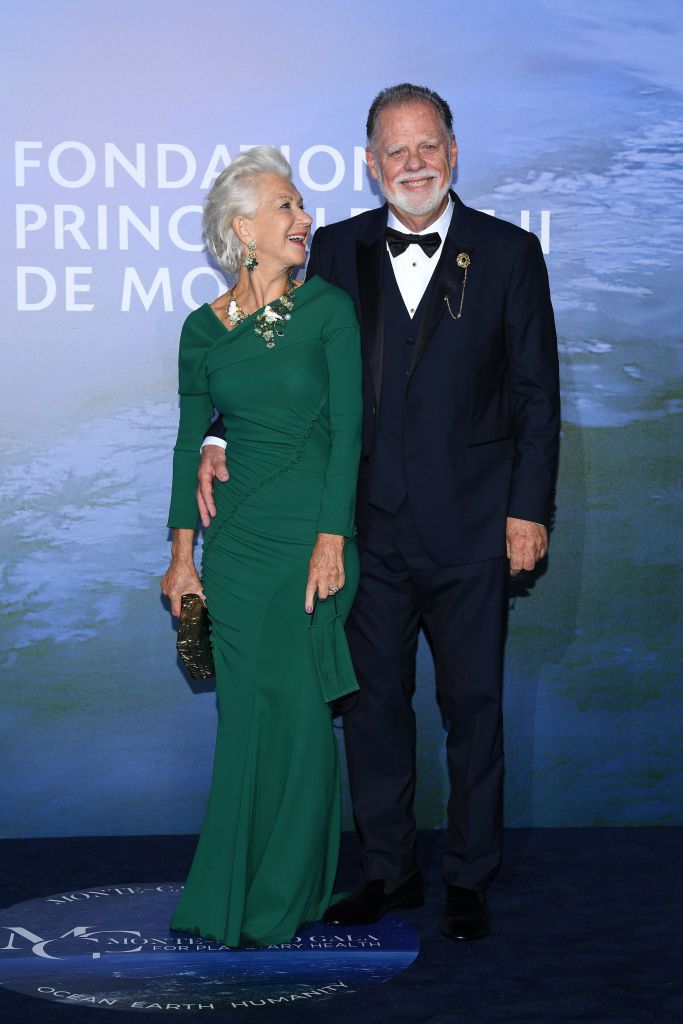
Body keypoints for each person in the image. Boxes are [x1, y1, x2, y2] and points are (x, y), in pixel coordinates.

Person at [199, 84, 560, 942]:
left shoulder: (509, 253)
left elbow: (535, 395)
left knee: (473, 707)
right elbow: (266, 351)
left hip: (475, 527)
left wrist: (527, 510)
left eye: (427, 145)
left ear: (454, 151)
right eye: (394, 151)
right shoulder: (332, 250)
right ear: (370, 164)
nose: (413, 163)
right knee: (370, 706)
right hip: (360, 528)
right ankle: (388, 872)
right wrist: (217, 433)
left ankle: (469, 878)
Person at [161, 146, 362, 947]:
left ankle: (287, 892)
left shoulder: (327, 311)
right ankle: (229, 888)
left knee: (302, 717)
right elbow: (186, 447)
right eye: (285, 206)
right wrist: (181, 558)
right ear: (242, 227)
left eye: (301, 205)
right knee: (245, 717)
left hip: (309, 537)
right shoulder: (199, 331)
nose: (303, 219)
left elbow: (349, 430)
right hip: (235, 546)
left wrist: (332, 537)